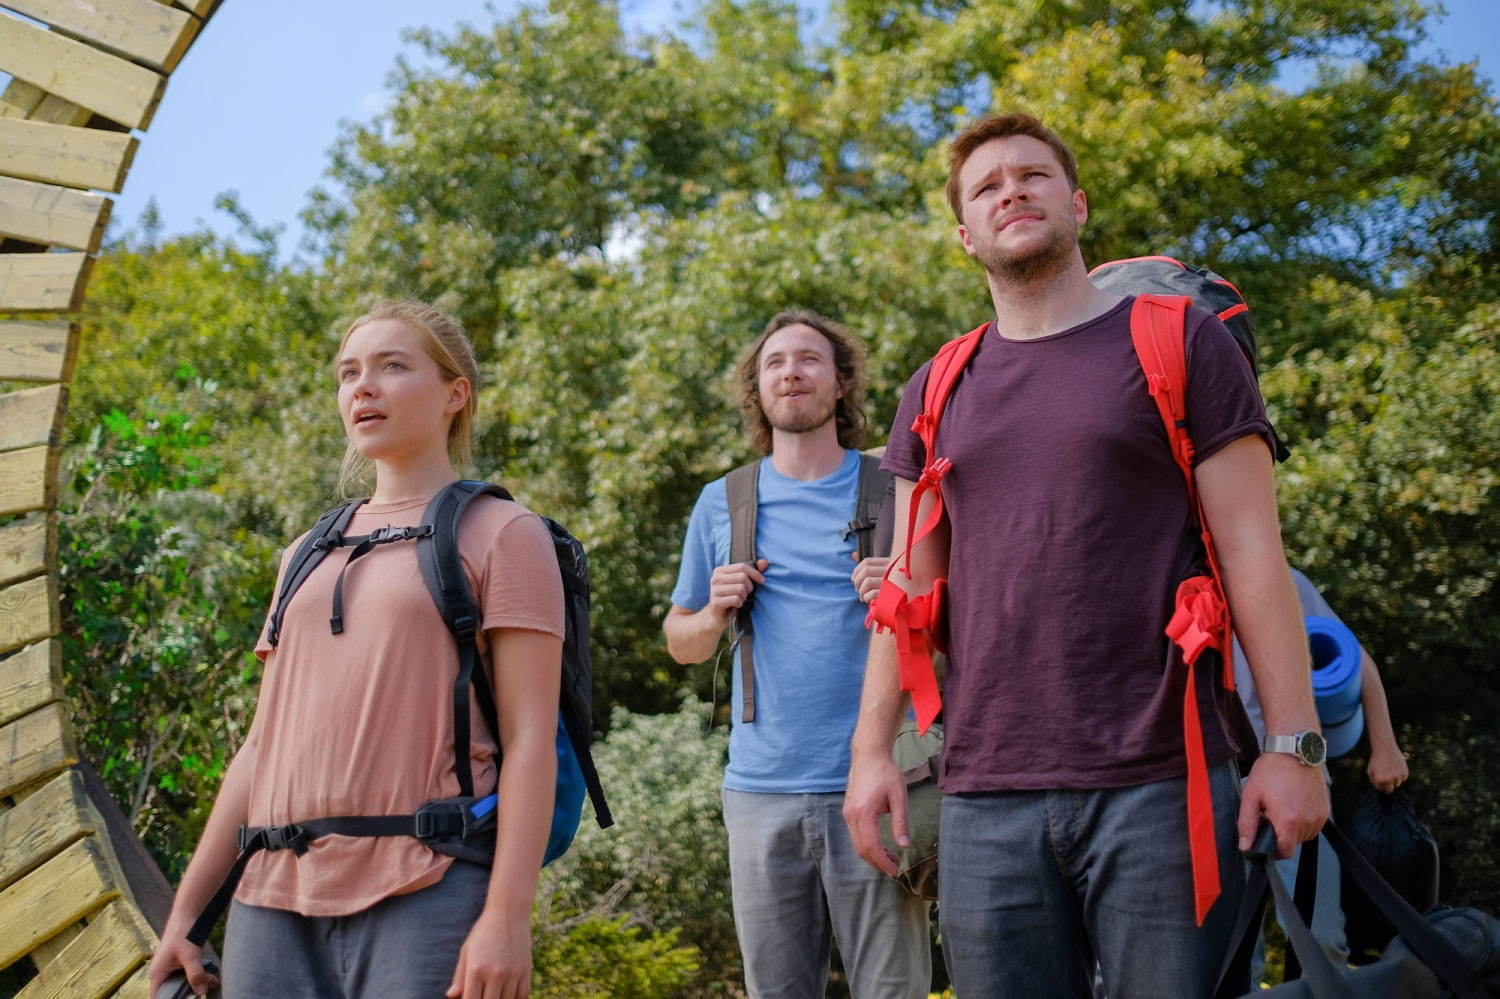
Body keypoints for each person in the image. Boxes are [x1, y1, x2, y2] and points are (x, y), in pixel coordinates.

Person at [842, 112, 1330, 997]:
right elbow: (909, 591)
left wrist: (1294, 746)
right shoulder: (937, 382)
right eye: (986, 187)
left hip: (1166, 781)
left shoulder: (1181, 341)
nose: (1011, 192)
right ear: (966, 235)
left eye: (1031, 175)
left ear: (1077, 201)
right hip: (985, 788)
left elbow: (1255, 554)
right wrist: (871, 751)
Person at [148, 300, 564, 999]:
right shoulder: (303, 554)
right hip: (269, 901)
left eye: (391, 367)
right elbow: (261, 746)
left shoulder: (504, 532)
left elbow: (530, 740)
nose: (362, 387)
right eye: (348, 373)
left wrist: (506, 917)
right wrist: (187, 914)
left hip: (427, 889)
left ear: (454, 393)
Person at [663, 309, 931, 998]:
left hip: (879, 780)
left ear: (841, 384)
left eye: (810, 358)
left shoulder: (893, 490)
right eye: (775, 361)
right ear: (758, 387)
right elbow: (681, 643)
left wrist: (902, 593)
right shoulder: (722, 501)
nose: (792, 371)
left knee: (892, 988)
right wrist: (717, 610)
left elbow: (961, 627)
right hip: (759, 790)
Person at [1235, 567, 1410, 980]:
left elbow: (1356, 658)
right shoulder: (1168, 574)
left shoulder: (1279, 580)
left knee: (1323, 937)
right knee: (1235, 951)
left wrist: (1385, 745)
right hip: (1211, 785)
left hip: (1292, 776)